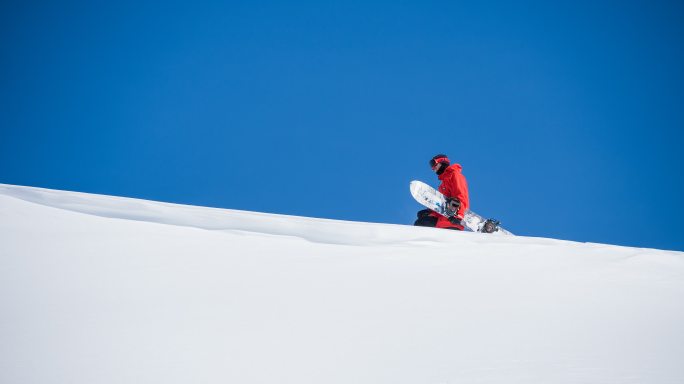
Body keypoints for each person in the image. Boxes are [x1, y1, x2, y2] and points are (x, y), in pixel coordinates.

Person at [414, 154, 470, 230]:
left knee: (421, 223)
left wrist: (459, 215)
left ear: (442, 162)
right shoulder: (442, 185)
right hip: (442, 221)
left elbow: (461, 196)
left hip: (452, 222)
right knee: (420, 222)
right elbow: (442, 206)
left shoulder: (455, 175)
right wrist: (430, 213)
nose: (433, 168)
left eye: (434, 164)